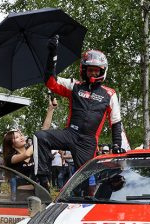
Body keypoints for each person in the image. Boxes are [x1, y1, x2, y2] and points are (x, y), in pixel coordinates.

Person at [33, 37, 124, 188]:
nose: (93, 73)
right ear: (84, 70)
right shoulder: (74, 85)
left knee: (84, 182)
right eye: (90, 70)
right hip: (70, 134)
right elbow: (50, 81)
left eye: (96, 70)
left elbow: (116, 122)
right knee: (40, 137)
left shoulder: (110, 94)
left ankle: (87, 196)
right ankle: (43, 181)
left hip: (88, 142)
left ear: (102, 71)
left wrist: (116, 145)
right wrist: (52, 54)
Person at [2, 129, 34, 199]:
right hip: (22, 196)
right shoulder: (10, 158)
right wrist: (38, 141)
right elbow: (26, 154)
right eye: (17, 137)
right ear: (12, 145)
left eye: (21, 135)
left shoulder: (33, 154)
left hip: (39, 192)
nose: (21, 138)